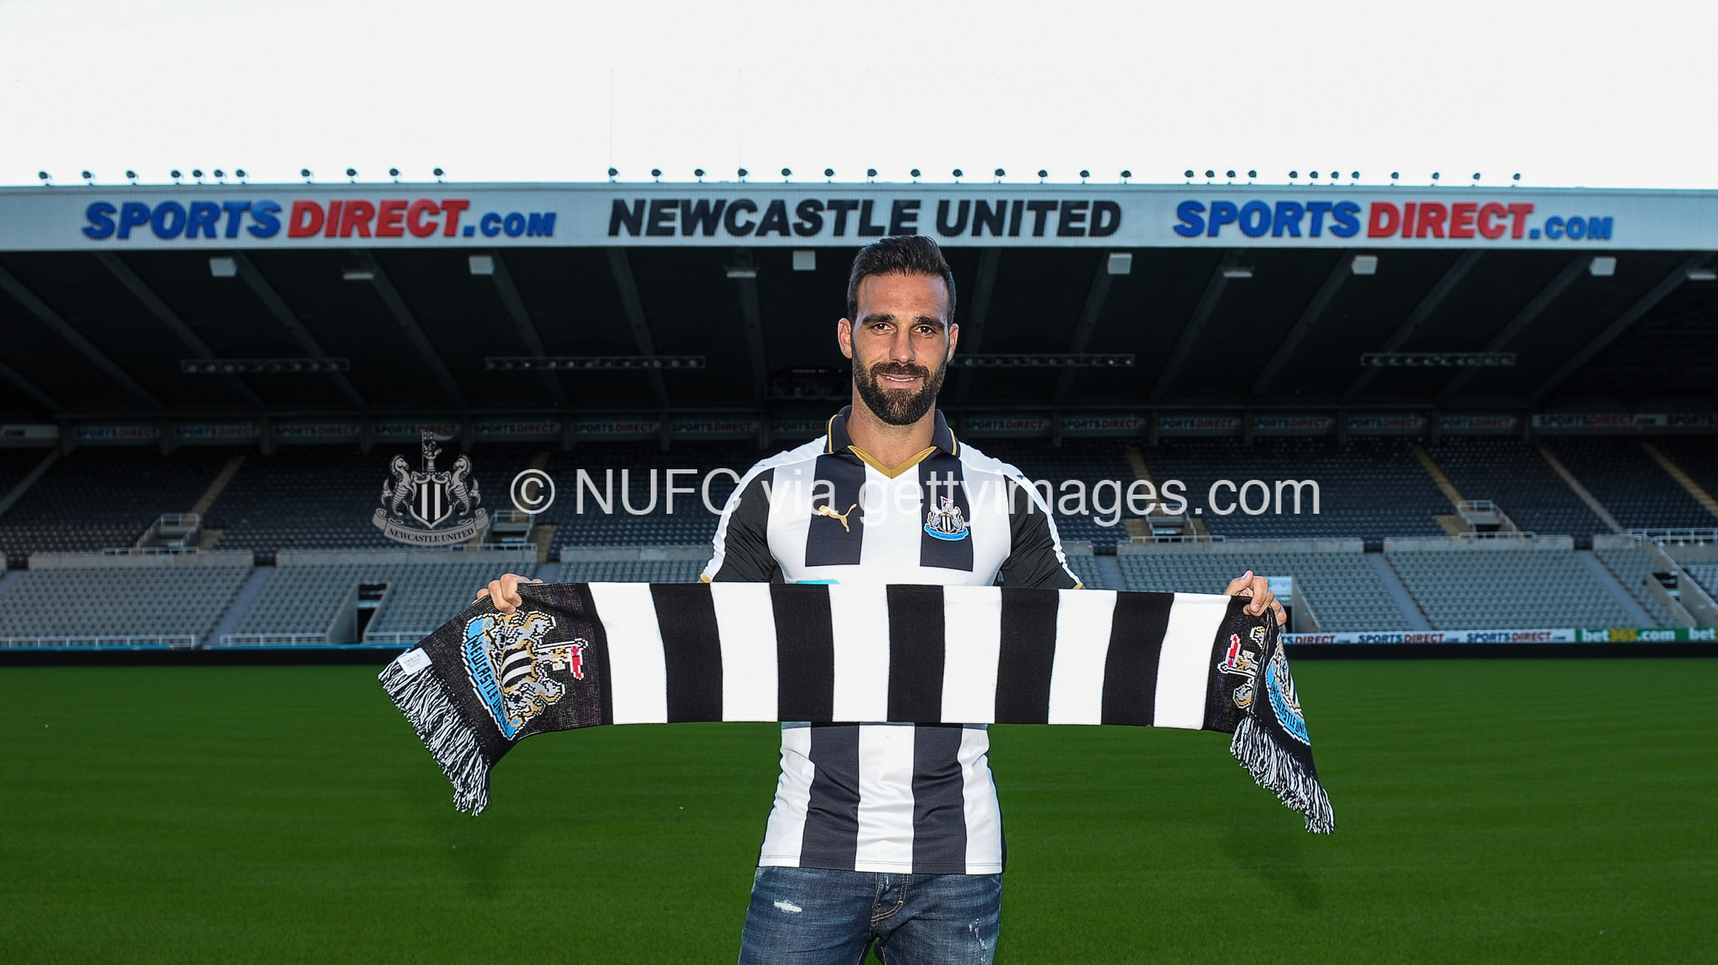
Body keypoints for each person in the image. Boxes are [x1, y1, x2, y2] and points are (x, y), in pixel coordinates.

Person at [479, 235, 1283, 965]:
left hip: (959, 862)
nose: (902, 350)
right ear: (846, 335)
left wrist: (1230, 627)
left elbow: (1089, 636)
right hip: (809, 848)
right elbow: (690, 634)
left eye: (924, 328)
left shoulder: (1003, 494)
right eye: (881, 325)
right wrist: (540, 615)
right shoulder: (773, 488)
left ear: (952, 341)